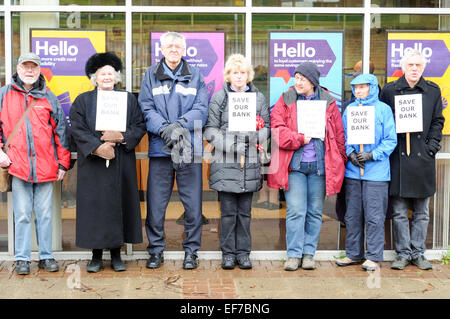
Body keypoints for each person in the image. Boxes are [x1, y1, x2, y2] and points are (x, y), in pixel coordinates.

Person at [70, 52, 146, 273]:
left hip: (121, 163)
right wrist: (97, 146)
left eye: (110, 74)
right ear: (94, 77)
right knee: (96, 208)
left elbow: (139, 125)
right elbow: (77, 127)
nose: (107, 77)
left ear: (117, 77)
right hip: (94, 164)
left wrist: (122, 137)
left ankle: (116, 254)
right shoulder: (83, 101)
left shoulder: (128, 99)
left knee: (118, 205)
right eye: (102, 74)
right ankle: (95, 255)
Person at [138, 31, 208, 270]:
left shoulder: (196, 75)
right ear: (162, 49)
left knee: (193, 206)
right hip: (161, 149)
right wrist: (166, 129)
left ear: (184, 49)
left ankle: (191, 251)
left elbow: (201, 109)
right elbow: (145, 109)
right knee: (156, 206)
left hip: (188, 149)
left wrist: (178, 126)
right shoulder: (150, 75)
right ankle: (156, 251)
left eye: (178, 46)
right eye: (169, 45)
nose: (174, 49)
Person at [268, 62, 347, 271]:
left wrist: (341, 160)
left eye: (303, 78)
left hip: (320, 167)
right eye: (296, 78)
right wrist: (299, 138)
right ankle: (294, 254)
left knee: (314, 212)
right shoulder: (286, 99)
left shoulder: (328, 102)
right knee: (295, 211)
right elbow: (276, 129)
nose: (298, 82)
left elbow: (339, 135)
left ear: (313, 82)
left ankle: (309, 253)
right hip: (295, 166)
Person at [0, 53, 70, 275]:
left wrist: (63, 164)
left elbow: (61, 133)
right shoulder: (4, 94)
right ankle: (22, 258)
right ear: (17, 69)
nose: (29, 71)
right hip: (18, 166)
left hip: (46, 167)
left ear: (39, 70)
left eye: (33, 67)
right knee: (21, 214)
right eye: (25, 66)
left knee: (45, 215)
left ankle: (46, 256)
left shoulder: (49, 97)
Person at [380, 50, 444, 271]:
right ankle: (403, 253)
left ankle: (418, 253)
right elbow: (382, 121)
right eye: (410, 65)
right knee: (398, 212)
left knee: (422, 212)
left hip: (422, 159)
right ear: (403, 66)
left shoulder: (432, 91)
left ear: (423, 68)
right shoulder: (390, 90)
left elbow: (438, 121)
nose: (414, 68)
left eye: (418, 65)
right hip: (399, 158)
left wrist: (432, 147)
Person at [204, 54, 270, 270]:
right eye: (235, 73)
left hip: (248, 165)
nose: (239, 77)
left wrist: (254, 138)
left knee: (245, 213)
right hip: (225, 164)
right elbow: (211, 130)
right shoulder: (219, 98)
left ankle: (243, 253)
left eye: (242, 73)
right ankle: (228, 254)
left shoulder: (258, 98)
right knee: (228, 213)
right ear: (228, 75)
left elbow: (267, 127)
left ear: (248, 75)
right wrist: (232, 145)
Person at [336, 74, 397, 271]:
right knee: (352, 216)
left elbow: (390, 140)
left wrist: (372, 155)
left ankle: (373, 255)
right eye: (356, 88)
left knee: (374, 216)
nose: (359, 91)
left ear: (372, 87)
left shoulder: (383, 110)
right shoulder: (350, 110)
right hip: (353, 173)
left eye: (363, 87)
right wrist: (350, 152)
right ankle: (354, 254)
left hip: (376, 174)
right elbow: (343, 136)